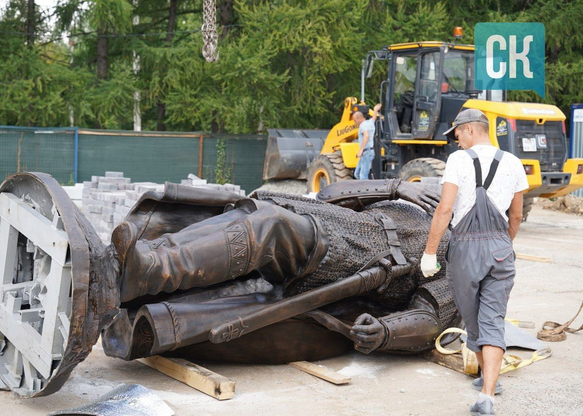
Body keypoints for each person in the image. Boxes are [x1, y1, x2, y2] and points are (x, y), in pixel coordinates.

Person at [106, 178, 462, 362]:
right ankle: (144, 265)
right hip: (325, 222)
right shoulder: (417, 210)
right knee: (256, 214)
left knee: (271, 226)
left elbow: (430, 319)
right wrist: (393, 187)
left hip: (342, 263)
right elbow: (329, 195)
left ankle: (150, 270)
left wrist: (385, 331)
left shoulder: (456, 265)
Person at [420, 109, 527, 416]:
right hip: (500, 245)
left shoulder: (458, 161)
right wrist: (502, 245)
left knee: (473, 318)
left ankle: (487, 384)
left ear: (469, 130)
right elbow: (517, 215)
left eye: (457, 136)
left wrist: (430, 252)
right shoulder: (513, 162)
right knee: (493, 318)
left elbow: (444, 209)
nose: (458, 143)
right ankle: (488, 390)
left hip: (466, 248)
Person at [352, 107, 377, 180]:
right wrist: (375, 110)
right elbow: (374, 117)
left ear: (359, 119)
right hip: (368, 152)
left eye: (355, 120)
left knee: (363, 176)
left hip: (366, 152)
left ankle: (366, 189)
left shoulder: (362, 125)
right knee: (357, 174)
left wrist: (360, 150)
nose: (355, 122)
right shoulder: (370, 122)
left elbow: (366, 135)